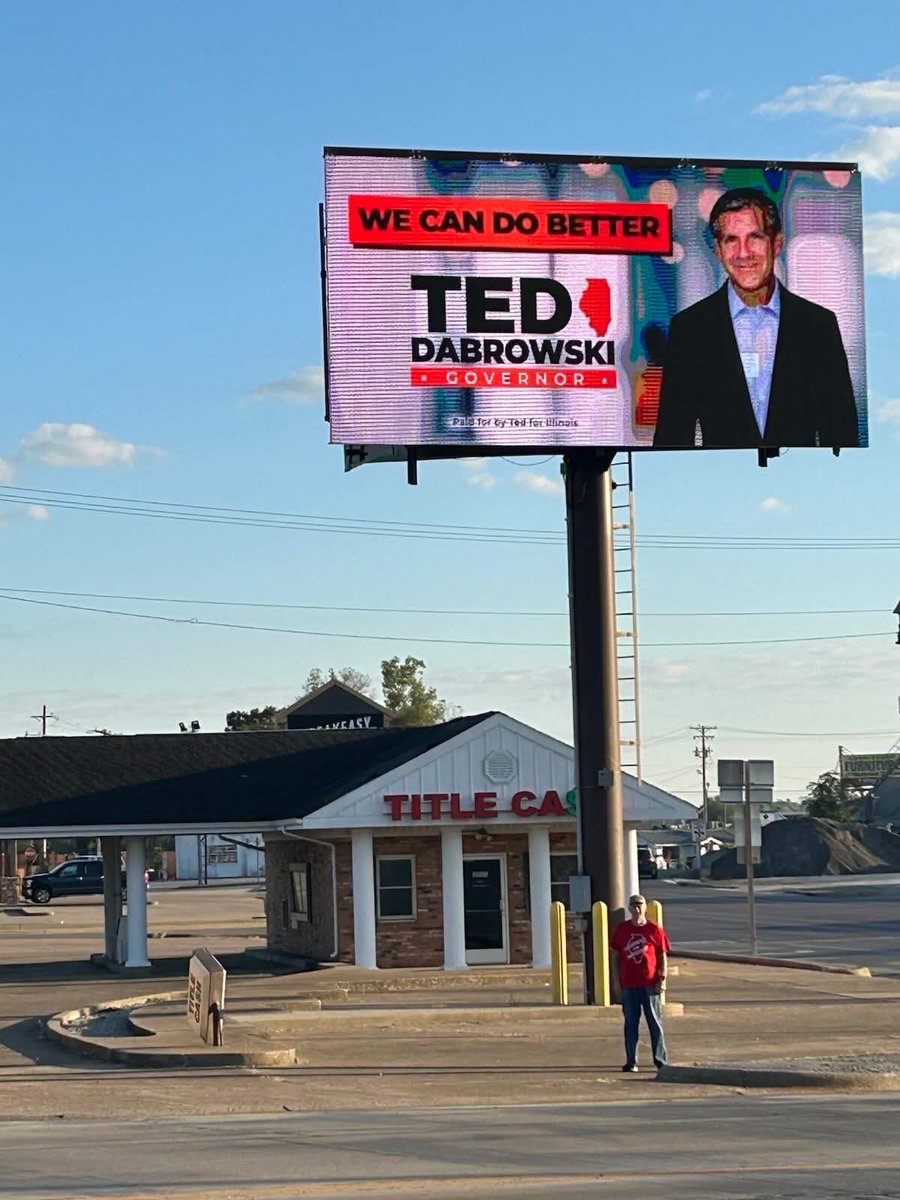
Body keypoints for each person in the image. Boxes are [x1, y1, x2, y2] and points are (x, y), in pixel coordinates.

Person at [652, 187, 859, 449]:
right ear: (718, 249)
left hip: (804, 482)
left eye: (755, 237)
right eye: (731, 240)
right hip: (714, 483)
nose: (743, 253)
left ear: (777, 243)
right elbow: (671, 438)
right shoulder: (689, 330)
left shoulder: (818, 326)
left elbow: (842, 432)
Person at [610, 894, 671, 1073]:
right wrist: (615, 980)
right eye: (633, 905)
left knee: (655, 1022)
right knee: (630, 1023)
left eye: (640, 905)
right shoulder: (622, 929)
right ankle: (631, 1061)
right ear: (629, 908)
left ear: (645, 907)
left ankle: (661, 1061)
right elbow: (615, 955)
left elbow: (662, 955)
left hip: (650, 983)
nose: (637, 908)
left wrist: (663, 978)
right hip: (629, 983)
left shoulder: (654, 930)